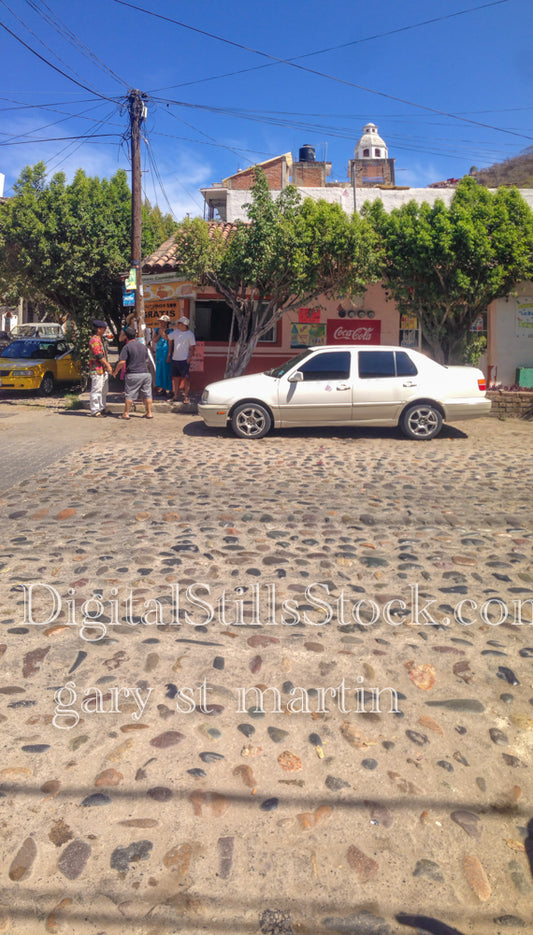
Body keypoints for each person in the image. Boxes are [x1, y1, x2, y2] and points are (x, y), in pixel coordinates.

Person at [113, 326, 153, 419]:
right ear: (135, 335)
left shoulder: (127, 347)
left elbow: (122, 362)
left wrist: (115, 371)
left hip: (133, 374)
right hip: (145, 373)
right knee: (147, 393)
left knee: (130, 394)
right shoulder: (143, 346)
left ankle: (126, 413)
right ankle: (149, 413)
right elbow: (146, 359)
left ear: (126, 336)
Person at [167, 316, 195, 403]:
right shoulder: (176, 332)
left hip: (184, 359)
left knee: (186, 378)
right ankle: (176, 395)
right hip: (175, 358)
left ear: (184, 325)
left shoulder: (190, 334)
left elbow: (192, 347)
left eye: (179, 323)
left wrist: (189, 358)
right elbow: (168, 338)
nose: (178, 325)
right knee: (176, 378)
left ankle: (186, 396)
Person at [88, 319, 113, 417]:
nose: (105, 331)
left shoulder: (100, 340)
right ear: (98, 329)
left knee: (103, 390)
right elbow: (99, 355)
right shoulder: (94, 340)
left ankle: (102, 407)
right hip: (96, 369)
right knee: (96, 389)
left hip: (102, 370)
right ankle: (95, 410)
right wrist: (107, 365)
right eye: (103, 329)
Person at [153, 314, 172, 397]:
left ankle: (169, 389)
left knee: (166, 370)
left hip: (166, 351)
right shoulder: (157, 330)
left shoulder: (170, 331)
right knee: (160, 370)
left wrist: (169, 355)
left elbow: (169, 341)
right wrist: (159, 333)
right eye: (160, 321)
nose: (161, 323)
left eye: (162, 321)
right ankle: (162, 389)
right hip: (159, 352)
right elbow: (154, 340)